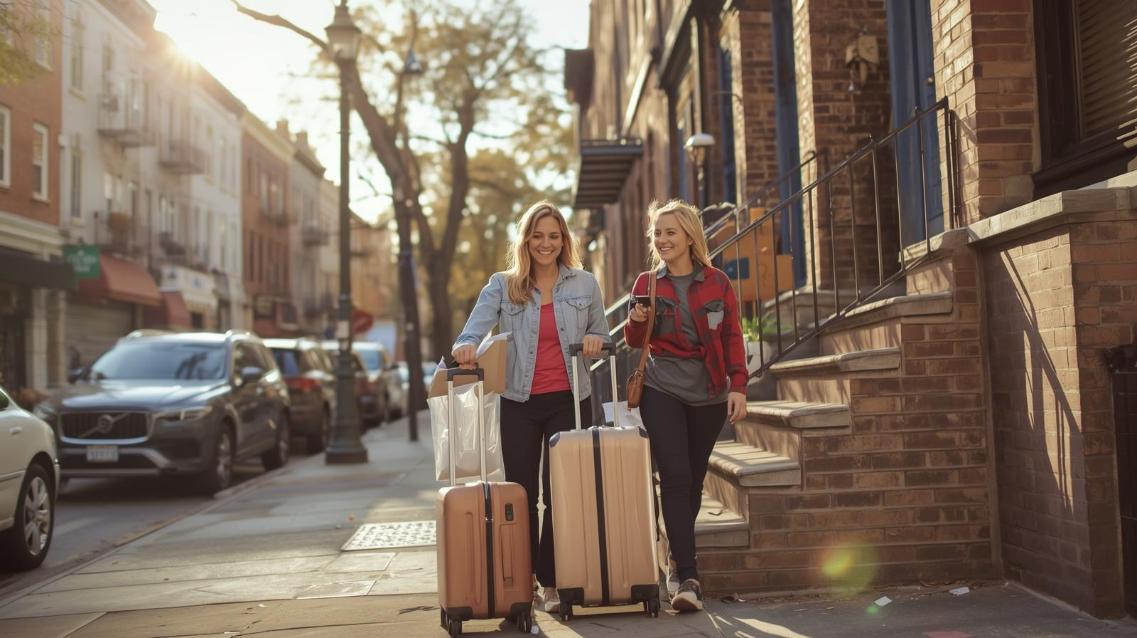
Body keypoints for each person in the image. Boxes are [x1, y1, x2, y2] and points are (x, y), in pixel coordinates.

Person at [451, 201, 608, 613]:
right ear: (525, 240)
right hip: (518, 402)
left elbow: (603, 334)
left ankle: (551, 581)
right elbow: (472, 329)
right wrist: (466, 345)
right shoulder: (503, 285)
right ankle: (523, 582)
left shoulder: (585, 284)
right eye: (538, 236)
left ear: (564, 240)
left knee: (560, 494)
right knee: (521, 494)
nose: (546, 244)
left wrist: (596, 341)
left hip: (570, 400)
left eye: (553, 236)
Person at [625, 199, 748, 612]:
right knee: (675, 477)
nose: (662, 240)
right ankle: (689, 578)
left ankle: (676, 560)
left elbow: (732, 336)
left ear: (690, 236)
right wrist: (637, 318)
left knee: (692, 483)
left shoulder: (717, 283)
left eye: (670, 233)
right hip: (661, 388)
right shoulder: (647, 282)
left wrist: (739, 386)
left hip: (709, 393)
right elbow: (634, 339)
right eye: (657, 234)